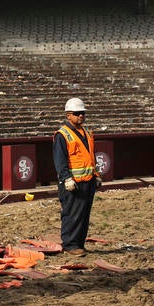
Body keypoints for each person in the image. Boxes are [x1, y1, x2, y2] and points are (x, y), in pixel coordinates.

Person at [53, 97, 100, 256]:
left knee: (83, 215)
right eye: (77, 113)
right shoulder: (62, 135)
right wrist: (66, 178)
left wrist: (96, 174)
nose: (81, 115)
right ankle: (70, 245)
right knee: (72, 214)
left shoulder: (86, 132)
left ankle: (79, 244)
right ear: (68, 115)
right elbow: (60, 160)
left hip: (87, 181)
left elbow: (90, 156)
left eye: (83, 113)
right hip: (72, 183)